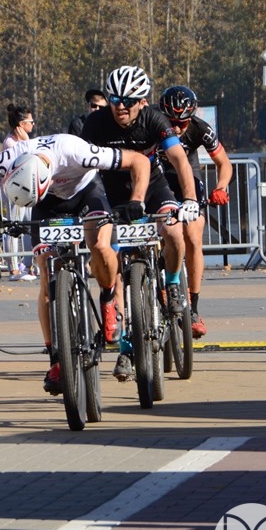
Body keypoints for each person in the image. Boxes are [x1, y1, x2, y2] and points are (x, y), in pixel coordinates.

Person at [0, 133, 151, 395]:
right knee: (46, 276)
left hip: (86, 193)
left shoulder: (76, 152)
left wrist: (136, 200)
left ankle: (108, 298)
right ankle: (56, 360)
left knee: (101, 246)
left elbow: (139, 161)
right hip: (46, 204)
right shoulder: (10, 158)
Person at [80, 65, 200, 381]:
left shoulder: (155, 120)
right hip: (111, 191)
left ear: (143, 102)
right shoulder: (95, 123)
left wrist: (189, 199)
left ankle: (172, 283)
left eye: (129, 101)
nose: (120, 106)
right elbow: (78, 164)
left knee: (173, 230)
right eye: (114, 99)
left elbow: (179, 160)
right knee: (112, 261)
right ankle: (125, 344)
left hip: (152, 187)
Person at [157, 85, 233, 338]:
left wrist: (221, 186)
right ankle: (159, 269)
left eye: (183, 123)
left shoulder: (200, 128)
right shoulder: (153, 122)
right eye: (172, 122)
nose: (177, 128)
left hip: (188, 175)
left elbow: (224, 163)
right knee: (166, 230)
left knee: (193, 236)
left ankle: (193, 306)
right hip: (159, 177)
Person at [2, 103, 37, 281]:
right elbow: (23, 161)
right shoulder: (10, 143)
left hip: (28, 189)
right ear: (22, 125)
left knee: (30, 225)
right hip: (15, 190)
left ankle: (28, 264)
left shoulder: (24, 141)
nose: (33, 124)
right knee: (14, 227)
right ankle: (14, 268)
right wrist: (26, 142)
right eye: (31, 121)